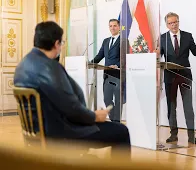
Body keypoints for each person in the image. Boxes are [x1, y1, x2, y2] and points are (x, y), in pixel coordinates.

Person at [14, 21, 131, 154]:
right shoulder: (50, 67)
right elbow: (71, 108)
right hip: (62, 133)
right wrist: (94, 116)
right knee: (121, 131)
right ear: (56, 44)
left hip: (39, 132)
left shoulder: (23, 65)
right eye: (62, 44)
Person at [158, 12, 196, 144]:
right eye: (170, 23)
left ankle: (191, 136)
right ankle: (173, 134)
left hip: (185, 76)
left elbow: (195, 52)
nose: (174, 25)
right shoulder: (162, 38)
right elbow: (159, 56)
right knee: (171, 107)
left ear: (178, 21)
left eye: (175, 22)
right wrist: (154, 54)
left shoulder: (187, 36)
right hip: (170, 77)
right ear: (167, 25)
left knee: (188, 107)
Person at [90, 19, 122, 122]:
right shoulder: (106, 41)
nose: (112, 28)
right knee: (107, 99)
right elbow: (100, 55)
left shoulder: (124, 40)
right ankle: (113, 120)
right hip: (107, 75)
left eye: (114, 26)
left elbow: (125, 57)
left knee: (118, 100)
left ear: (119, 27)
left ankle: (117, 122)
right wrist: (90, 63)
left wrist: (116, 65)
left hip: (118, 75)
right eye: (110, 26)